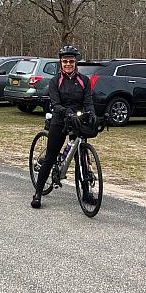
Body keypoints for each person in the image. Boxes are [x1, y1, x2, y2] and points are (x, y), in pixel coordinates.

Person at [31, 45, 96, 209]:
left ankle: (86, 193)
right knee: (51, 156)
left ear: (76, 63)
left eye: (71, 61)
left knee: (82, 157)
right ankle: (38, 193)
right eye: (65, 61)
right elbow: (55, 104)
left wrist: (92, 113)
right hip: (60, 119)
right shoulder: (55, 81)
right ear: (61, 63)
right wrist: (67, 112)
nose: (68, 64)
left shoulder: (84, 80)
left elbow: (88, 101)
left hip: (78, 120)